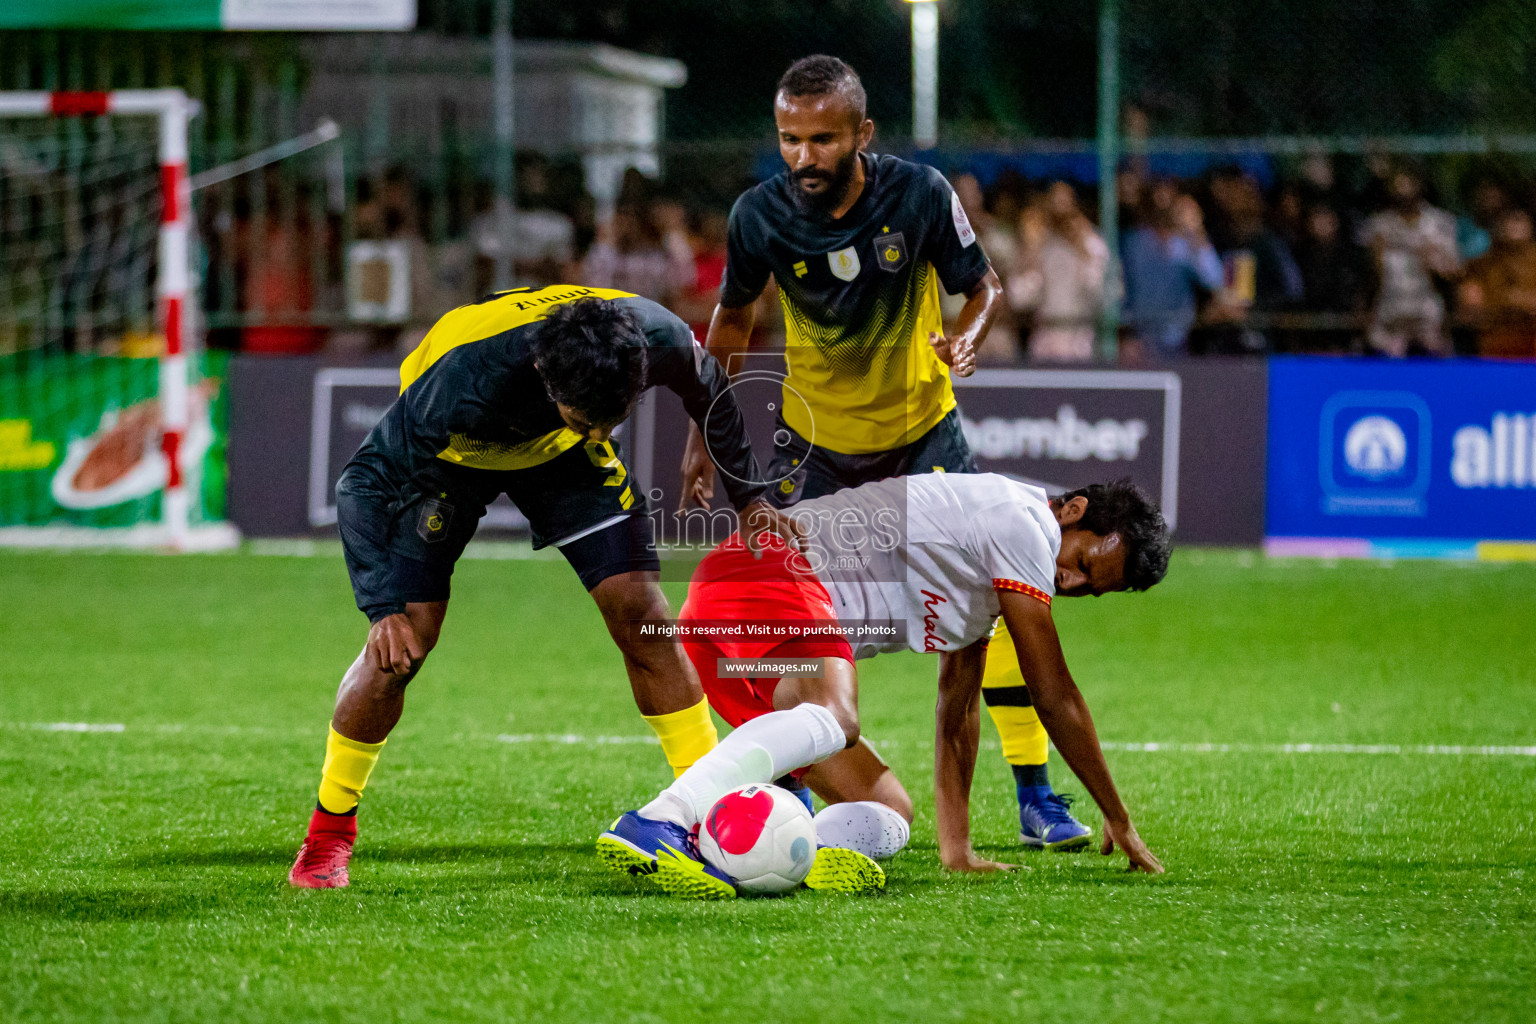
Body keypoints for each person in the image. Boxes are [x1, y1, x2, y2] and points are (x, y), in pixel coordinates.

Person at [676, 56, 1093, 850]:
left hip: (923, 436)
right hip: (815, 451)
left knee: (989, 617)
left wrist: (965, 340)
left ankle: (1036, 797)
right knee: (806, 626)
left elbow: (986, 287)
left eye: (823, 139)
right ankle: (796, 792)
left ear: (862, 134)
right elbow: (728, 329)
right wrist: (702, 432)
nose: (804, 156)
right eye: (790, 139)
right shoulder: (759, 216)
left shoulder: (920, 195)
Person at [287, 288, 802, 888]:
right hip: (455, 457)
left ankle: (708, 805)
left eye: (617, 417)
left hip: (563, 452)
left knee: (642, 613)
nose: (607, 429)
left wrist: (751, 497)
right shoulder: (458, 388)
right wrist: (380, 609)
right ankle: (328, 836)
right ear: (545, 376)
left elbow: (709, 385)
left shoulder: (650, 338)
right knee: (404, 645)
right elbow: (361, 482)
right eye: (594, 419)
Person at [597, 473, 1170, 899]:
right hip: (769, 571)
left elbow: (959, 708)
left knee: (888, 809)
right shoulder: (1025, 524)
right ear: (1072, 511)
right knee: (837, 718)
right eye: (1085, 565)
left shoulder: (994, 578)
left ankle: (734, 851)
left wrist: (957, 847)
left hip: (740, 612)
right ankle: (662, 820)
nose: (1071, 582)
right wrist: (1116, 814)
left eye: (1090, 590)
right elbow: (1055, 692)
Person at [1359, 168, 1460, 357]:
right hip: (1390, 312)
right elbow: (1369, 276)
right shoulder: (1379, 226)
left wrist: (1433, 257)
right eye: (1398, 188)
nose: (1404, 193)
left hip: (1428, 312)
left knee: (1436, 358)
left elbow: (1453, 272)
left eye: (1409, 186)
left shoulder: (1440, 223)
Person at [1120, 180, 1224, 357]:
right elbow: (1121, 289)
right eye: (1156, 201)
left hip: (1178, 341)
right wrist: (1124, 334)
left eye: (1167, 202)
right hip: (1140, 341)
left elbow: (1215, 280)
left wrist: (1196, 233)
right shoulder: (1134, 242)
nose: (1161, 207)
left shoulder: (1186, 243)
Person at [1010, 181, 1109, 362]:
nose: (1062, 220)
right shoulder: (1040, 245)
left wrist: (1083, 255)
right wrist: (1030, 255)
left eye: (1067, 212)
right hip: (1045, 341)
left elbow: (1103, 299)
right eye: (1056, 213)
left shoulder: (1093, 244)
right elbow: (1020, 299)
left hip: (1081, 340)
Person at [1458, 206, 1536, 359]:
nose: (1514, 225)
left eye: (1519, 220)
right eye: (1509, 220)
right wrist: (1510, 304)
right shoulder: (1480, 266)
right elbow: (1471, 307)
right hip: (1495, 339)